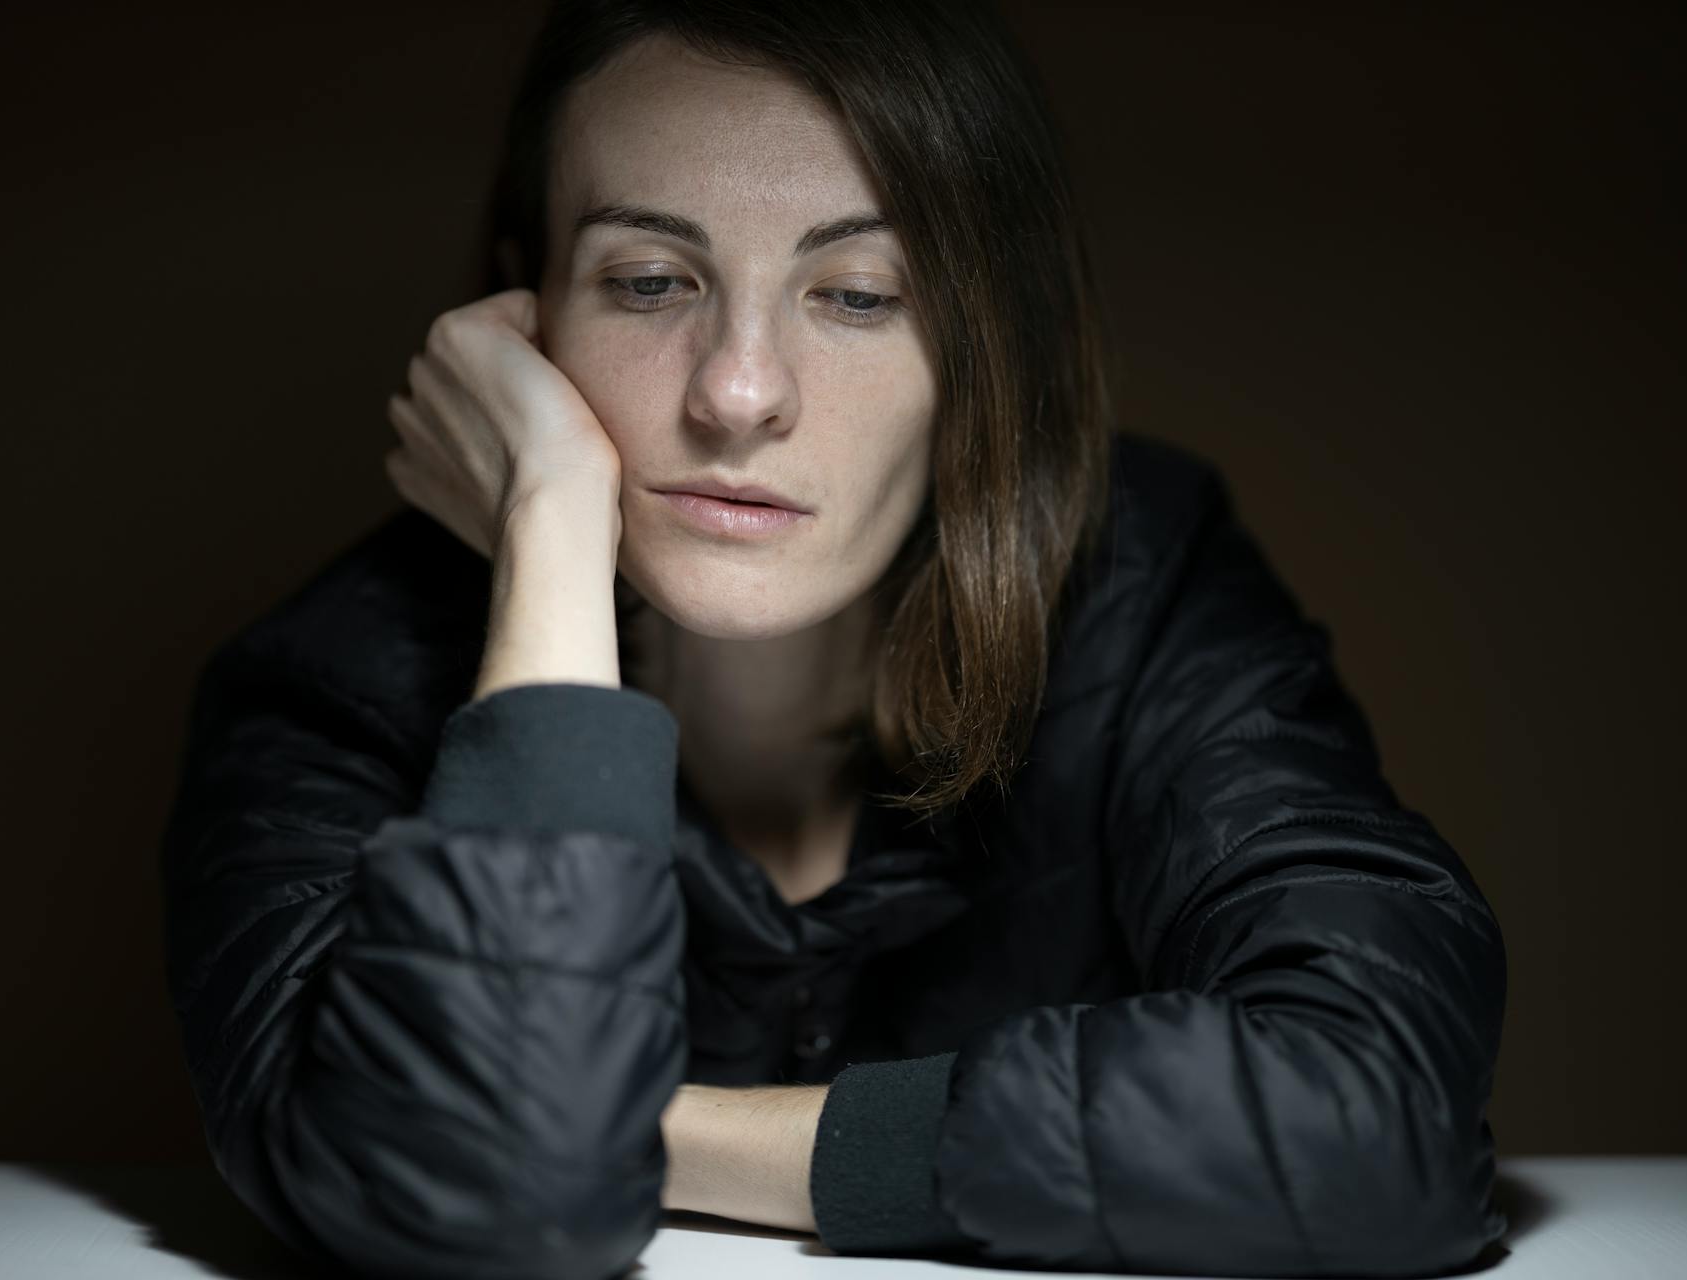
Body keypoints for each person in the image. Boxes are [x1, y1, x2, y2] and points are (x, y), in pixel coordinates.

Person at [157, 1, 1511, 1277]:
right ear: (519, 320)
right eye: (646, 280)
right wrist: (552, 520)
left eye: (859, 294)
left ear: (989, 354)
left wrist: (661, 1131)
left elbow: (1377, 1109)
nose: (739, 392)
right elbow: (488, 1212)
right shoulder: (337, 685)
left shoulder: (1142, 593)